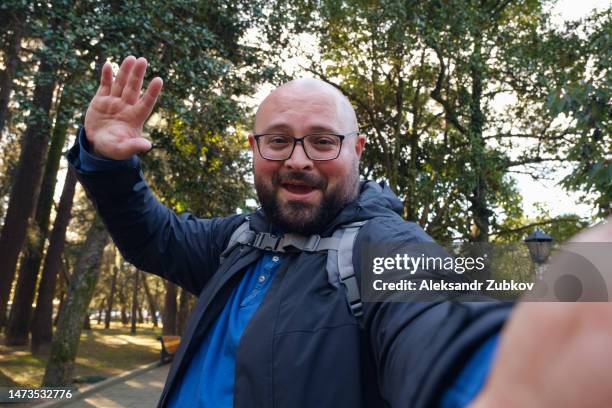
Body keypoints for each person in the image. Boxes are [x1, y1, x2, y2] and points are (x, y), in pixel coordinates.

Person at [68, 56, 612, 407]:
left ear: (356, 150)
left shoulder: (379, 247)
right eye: (277, 140)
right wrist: (109, 164)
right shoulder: (236, 242)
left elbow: (431, 314)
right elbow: (152, 236)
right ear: (254, 149)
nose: (298, 160)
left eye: (323, 141)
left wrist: (502, 383)